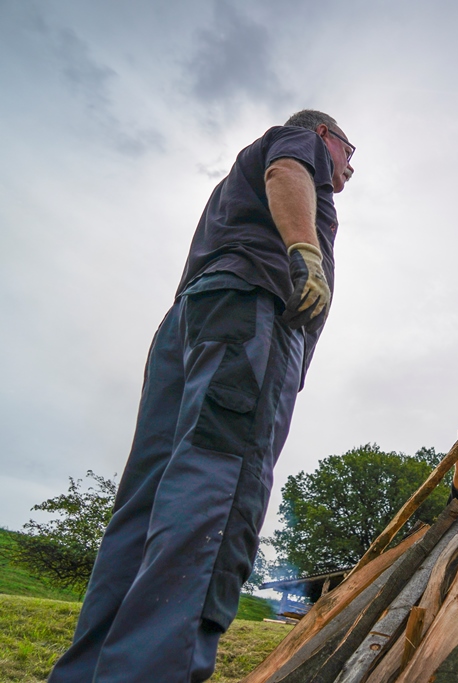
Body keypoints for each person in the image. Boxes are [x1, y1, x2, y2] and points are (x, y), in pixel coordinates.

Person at [49, 110, 356, 682]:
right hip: (250, 315)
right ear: (324, 136)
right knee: (218, 486)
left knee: (146, 504)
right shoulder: (296, 144)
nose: (350, 168)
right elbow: (288, 168)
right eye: (349, 151)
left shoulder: (230, 190)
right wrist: (304, 253)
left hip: (196, 321)